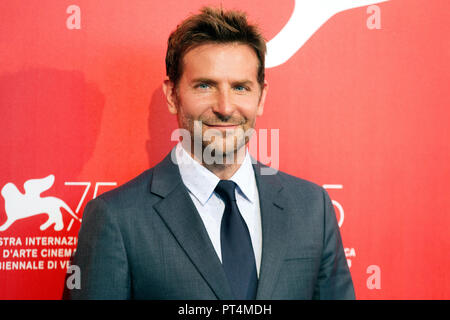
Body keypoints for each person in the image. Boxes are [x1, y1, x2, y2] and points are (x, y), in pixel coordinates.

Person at [64, 6, 355, 300]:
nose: (225, 107)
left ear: (261, 97)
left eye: (241, 87)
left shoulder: (311, 208)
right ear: (172, 95)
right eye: (205, 86)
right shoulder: (117, 218)